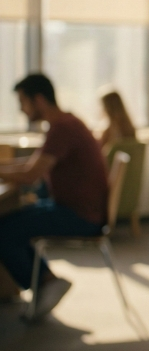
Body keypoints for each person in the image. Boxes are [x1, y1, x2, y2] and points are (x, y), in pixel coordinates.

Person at [0, 74, 109, 319]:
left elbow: (31, 175)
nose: (21, 109)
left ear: (38, 100)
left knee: (4, 230)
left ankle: (45, 283)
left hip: (80, 215)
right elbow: (31, 165)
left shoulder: (62, 128)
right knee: (9, 223)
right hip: (75, 208)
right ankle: (46, 281)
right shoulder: (64, 123)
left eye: (22, 102)